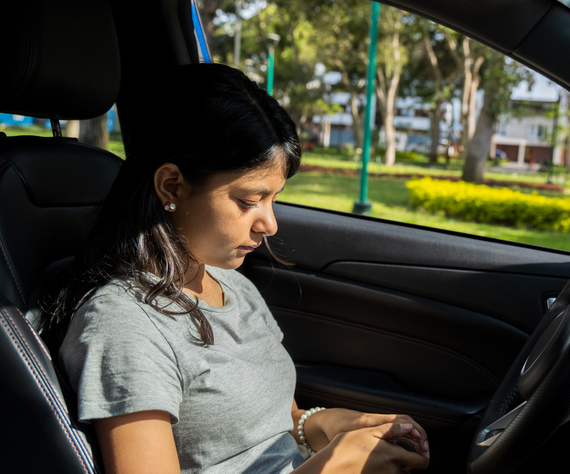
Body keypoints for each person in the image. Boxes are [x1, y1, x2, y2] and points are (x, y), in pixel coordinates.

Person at [43, 63, 430, 473]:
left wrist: (332, 425)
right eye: (248, 201)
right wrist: (331, 469)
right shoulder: (125, 323)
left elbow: (277, 422)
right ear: (171, 186)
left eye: (273, 199)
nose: (269, 223)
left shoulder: (232, 285)